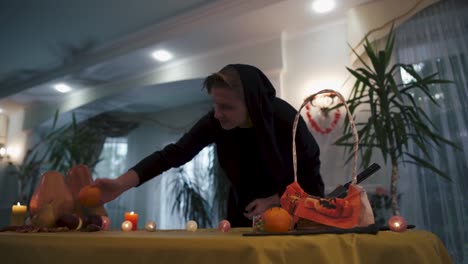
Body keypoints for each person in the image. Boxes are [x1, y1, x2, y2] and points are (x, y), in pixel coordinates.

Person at [94, 64, 324, 227]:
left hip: (293, 210)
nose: (217, 114)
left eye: (227, 107)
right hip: (242, 209)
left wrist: (275, 200)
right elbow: (173, 154)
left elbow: (310, 174)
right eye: (215, 104)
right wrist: (120, 184)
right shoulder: (215, 122)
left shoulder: (286, 120)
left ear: (252, 104)